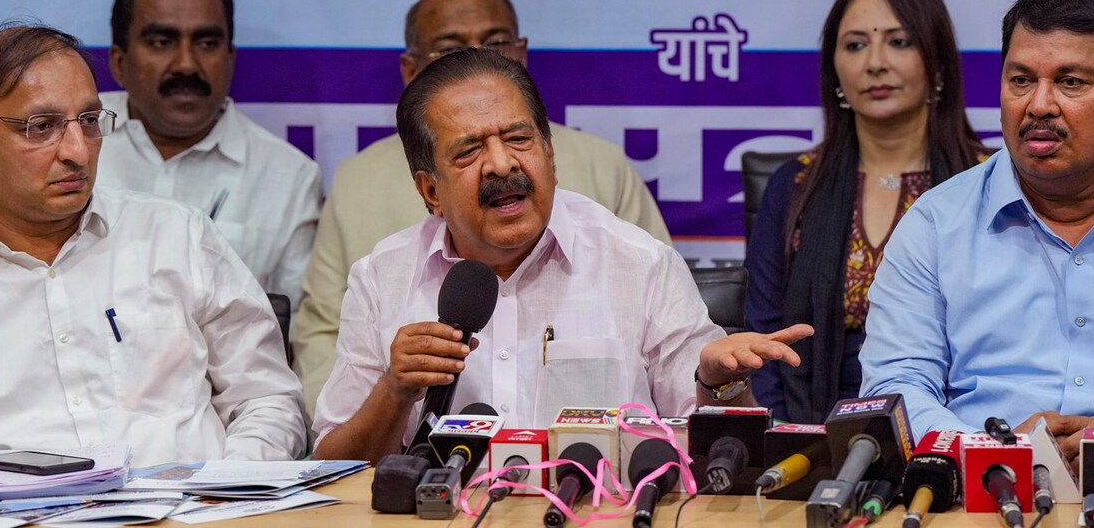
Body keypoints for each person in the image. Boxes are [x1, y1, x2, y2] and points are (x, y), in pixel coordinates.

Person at [310, 48, 812, 462]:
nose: (502, 163)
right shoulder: (382, 278)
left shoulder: (639, 264)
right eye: (469, 152)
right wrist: (394, 392)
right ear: (430, 191)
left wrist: (721, 385)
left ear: (550, 154)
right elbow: (332, 466)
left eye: (518, 139)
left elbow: (725, 452)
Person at [292, 0, 670, 417]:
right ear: (429, 191)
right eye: (451, 49)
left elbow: (691, 397)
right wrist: (379, 398)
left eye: (497, 43)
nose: (501, 165)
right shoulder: (363, 200)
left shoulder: (606, 176)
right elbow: (323, 341)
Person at [0, 25, 305, 466]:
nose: (77, 150)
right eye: (42, 127)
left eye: (89, 121)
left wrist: (227, 489)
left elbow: (268, 399)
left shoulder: (175, 236)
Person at [860, 0, 1094, 469]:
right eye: (1021, 80)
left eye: (1071, 82)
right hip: (980, 494)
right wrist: (991, 449)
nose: (1038, 105)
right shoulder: (936, 224)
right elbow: (894, 388)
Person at [743, 0, 987, 424]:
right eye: (856, 45)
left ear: (936, 62)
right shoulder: (795, 186)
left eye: (898, 41)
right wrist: (789, 439)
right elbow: (764, 339)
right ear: (834, 71)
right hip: (811, 431)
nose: (875, 62)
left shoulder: (987, 183)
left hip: (957, 428)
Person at [97, 0, 321, 312]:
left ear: (230, 58)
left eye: (206, 42)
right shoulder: (68, 137)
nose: (186, 64)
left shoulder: (288, 176)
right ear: (118, 62)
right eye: (161, 41)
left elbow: (287, 329)